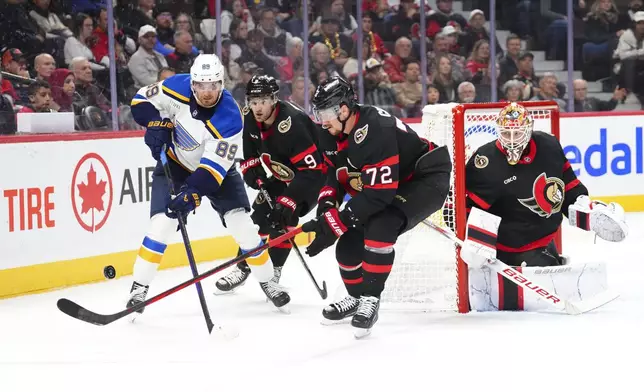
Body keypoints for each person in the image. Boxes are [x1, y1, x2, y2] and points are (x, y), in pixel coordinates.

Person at [127, 54, 289, 318]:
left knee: (243, 226)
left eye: (213, 85)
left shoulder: (230, 117)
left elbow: (212, 171)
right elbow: (140, 100)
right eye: (201, 86)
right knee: (162, 225)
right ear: (193, 83)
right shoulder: (175, 86)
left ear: (221, 83)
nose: (207, 92)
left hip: (216, 173)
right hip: (175, 165)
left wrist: (191, 195)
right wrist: (154, 124)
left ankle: (268, 280)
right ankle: (139, 287)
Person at [301, 77, 452, 337]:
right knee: (348, 245)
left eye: (326, 113)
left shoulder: (375, 128)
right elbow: (333, 177)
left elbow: (380, 195)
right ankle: (357, 298)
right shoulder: (331, 131)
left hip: (425, 177)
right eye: (318, 113)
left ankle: (370, 299)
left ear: (344, 110)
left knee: (381, 226)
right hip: (390, 184)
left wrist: (335, 222)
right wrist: (326, 210)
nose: (321, 120)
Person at [463, 102, 628, 310]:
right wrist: (478, 244)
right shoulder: (486, 162)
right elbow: (469, 210)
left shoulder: (548, 146)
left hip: (543, 239)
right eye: (506, 133)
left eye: (518, 133)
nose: (512, 141)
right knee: (554, 285)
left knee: (556, 268)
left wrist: (585, 207)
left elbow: (568, 184)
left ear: (529, 129)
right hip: (508, 247)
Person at [215, 74, 325, 294]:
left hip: (313, 178)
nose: (257, 107)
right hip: (284, 176)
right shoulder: (249, 117)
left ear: (274, 99)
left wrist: (288, 200)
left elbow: (312, 170)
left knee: (284, 219)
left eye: (263, 101)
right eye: (253, 101)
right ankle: (243, 267)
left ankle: (273, 272)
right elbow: (249, 154)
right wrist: (251, 171)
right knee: (258, 217)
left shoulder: (292, 123)